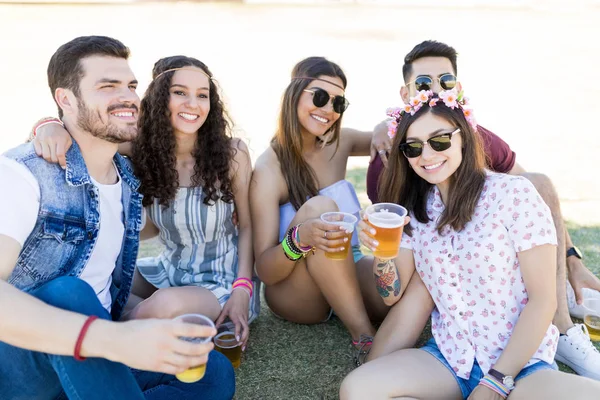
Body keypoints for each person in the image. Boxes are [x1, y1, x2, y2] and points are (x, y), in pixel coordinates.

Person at [0, 36, 235, 399]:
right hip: (24, 361)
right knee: (68, 292)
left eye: (130, 86)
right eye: (107, 86)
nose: (126, 97)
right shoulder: (25, 173)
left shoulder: (126, 180)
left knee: (213, 373)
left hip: (99, 348)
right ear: (66, 99)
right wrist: (113, 339)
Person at [353, 40, 600, 379]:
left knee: (535, 184)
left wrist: (572, 259)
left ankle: (560, 328)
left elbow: (531, 190)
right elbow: (394, 284)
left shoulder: (485, 148)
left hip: (490, 254)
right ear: (405, 92)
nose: (436, 90)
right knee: (369, 374)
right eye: (424, 84)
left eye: (446, 82)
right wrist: (383, 251)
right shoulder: (389, 161)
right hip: (425, 265)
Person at [32, 55, 258, 351]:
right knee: (96, 283)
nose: (193, 103)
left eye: (202, 95)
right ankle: (126, 324)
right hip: (169, 269)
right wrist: (47, 124)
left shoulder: (232, 155)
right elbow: (82, 133)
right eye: (180, 93)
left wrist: (243, 289)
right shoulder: (142, 150)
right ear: (159, 98)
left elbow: (250, 227)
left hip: (221, 281)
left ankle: (101, 342)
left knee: (164, 304)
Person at [250, 56, 383, 364]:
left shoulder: (341, 142)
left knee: (399, 271)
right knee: (321, 209)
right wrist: (300, 239)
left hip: (348, 267)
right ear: (294, 94)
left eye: (338, 103)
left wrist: (381, 128)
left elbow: (397, 133)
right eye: (320, 97)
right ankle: (366, 337)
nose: (328, 110)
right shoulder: (269, 169)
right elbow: (265, 270)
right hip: (298, 292)